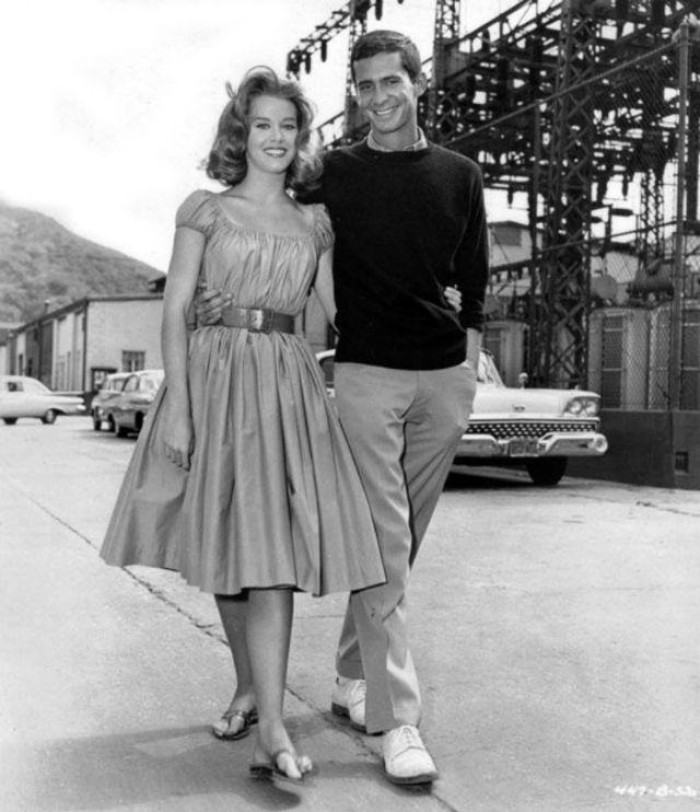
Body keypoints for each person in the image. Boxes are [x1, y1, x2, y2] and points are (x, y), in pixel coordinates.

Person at [198, 29, 489, 787]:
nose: (379, 97)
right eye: (365, 86)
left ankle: (354, 676)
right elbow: (270, 223)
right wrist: (223, 303)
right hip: (365, 373)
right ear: (354, 95)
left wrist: (468, 362)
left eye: (392, 81)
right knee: (384, 544)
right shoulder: (334, 173)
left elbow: (474, 278)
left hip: (444, 377)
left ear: (418, 82)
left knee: (401, 544)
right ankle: (397, 723)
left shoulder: (460, 174)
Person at [100, 66, 386, 782]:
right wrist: (180, 407)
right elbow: (175, 309)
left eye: (288, 126)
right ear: (241, 133)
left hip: (286, 387)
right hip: (214, 380)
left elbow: (342, 309)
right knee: (231, 550)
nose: (276, 137)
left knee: (273, 560)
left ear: (301, 137)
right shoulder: (205, 209)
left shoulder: (315, 223)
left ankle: (272, 730)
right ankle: (251, 690)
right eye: (263, 125)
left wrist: (418, 298)